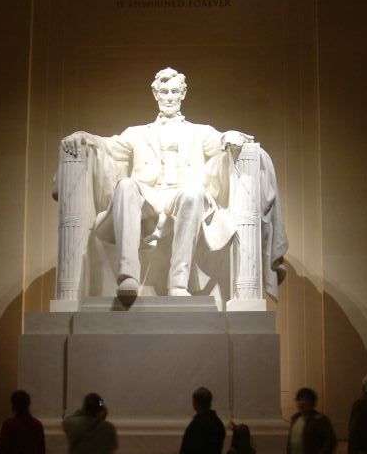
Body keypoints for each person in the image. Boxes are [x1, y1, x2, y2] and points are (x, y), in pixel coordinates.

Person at [60, 67, 287, 300]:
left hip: (183, 196)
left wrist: (229, 135)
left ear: (183, 94)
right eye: (164, 91)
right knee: (126, 185)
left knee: (194, 191)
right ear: (155, 94)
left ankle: (178, 282)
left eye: (174, 92)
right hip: (150, 196)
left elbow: (220, 141)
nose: (169, 97)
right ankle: (128, 277)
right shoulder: (138, 133)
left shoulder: (199, 132)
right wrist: (85, 137)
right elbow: (109, 145)